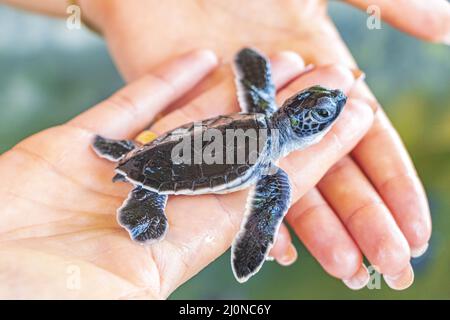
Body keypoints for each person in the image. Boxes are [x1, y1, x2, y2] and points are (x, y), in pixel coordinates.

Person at [1, 0, 448, 298]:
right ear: (301, 121)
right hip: (170, 165)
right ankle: (143, 194)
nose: (333, 106)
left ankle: (127, 154)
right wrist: (253, 244)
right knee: (173, 190)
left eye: (327, 108)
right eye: (325, 109)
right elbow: (263, 216)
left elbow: (254, 70)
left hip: (175, 143)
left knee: (161, 152)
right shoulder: (271, 172)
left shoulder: (260, 112)